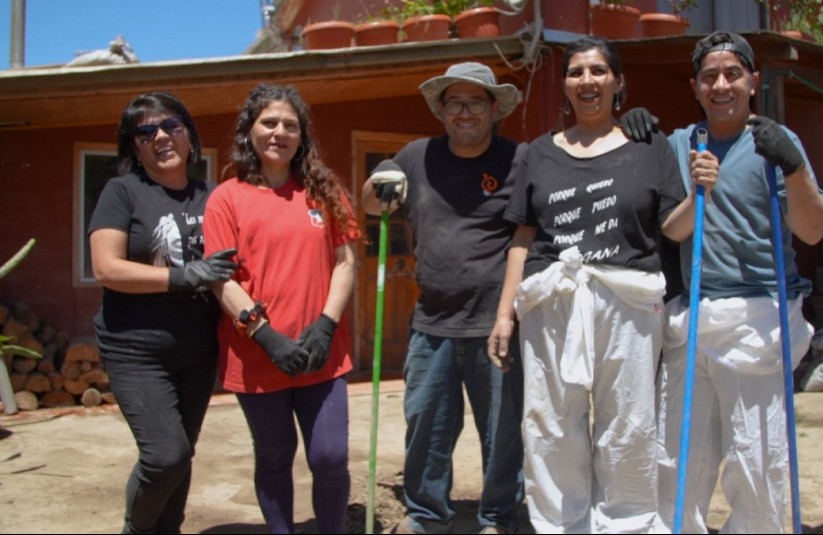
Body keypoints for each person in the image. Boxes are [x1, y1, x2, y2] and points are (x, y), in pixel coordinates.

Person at [487, 36, 717, 534]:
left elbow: (673, 229)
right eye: (575, 73)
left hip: (628, 303)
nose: (586, 81)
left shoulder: (649, 147)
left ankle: (626, 524)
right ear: (565, 86)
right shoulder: (537, 153)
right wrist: (505, 314)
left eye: (597, 72)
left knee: (629, 425)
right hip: (552, 303)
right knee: (551, 424)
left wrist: (701, 194)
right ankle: (559, 526)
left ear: (617, 83)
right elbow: (522, 239)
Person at [656, 32, 823, 534]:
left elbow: (813, 228)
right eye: (709, 76)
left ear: (752, 80)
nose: (721, 84)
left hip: (759, 317)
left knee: (757, 458)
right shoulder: (682, 144)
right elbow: (671, 229)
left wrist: (793, 167)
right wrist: (699, 189)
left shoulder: (777, 142)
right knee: (680, 456)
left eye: (733, 73)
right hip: (693, 316)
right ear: (694, 86)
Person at [360, 62, 527, 535]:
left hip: (496, 324)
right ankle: (427, 517)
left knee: (502, 434)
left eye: (476, 102)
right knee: (426, 430)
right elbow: (374, 203)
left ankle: (498, 518)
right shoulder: (417, 156)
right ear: (442, 110)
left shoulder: (518, 159)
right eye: (455, 102)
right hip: (430, 324)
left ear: (494, 109)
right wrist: (380, 183)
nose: (465, 112)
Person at [202, 83, 361, 534]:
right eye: (269, 122)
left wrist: (327, 324)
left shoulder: (324, 191)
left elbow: (346, 261)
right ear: (250, 131)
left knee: (329, 456)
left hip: (321, 353)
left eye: (290, 125)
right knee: (274, 455)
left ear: (302, 135)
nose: (279, 132)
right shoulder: (226, 198)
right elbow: (220, 276)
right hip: (257, 355)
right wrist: (264, 334)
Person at [88, 91, 237, 534]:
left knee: (183, 454)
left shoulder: (214, 195)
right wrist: (183, 275)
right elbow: (106, 267)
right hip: (135, 347)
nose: (161, 136)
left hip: (198, 347)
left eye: (171, 126)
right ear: (134, 147)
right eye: (145, 131)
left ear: (189, 135)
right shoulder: (123, 191)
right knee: (165, 454)